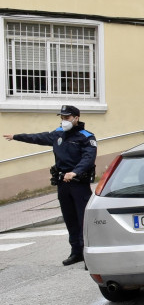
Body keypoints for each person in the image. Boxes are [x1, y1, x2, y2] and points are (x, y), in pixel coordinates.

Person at [4, 105, 97, 265]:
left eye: (67, 118)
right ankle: (76, 252)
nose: (64, 121)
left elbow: (89, 158)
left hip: (78, 183)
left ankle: (88, 254)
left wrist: (75, 172)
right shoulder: (58, 134)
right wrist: (16, 136)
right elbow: (38, 138)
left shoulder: (86, 136)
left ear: (76, 118)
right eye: (62, 117)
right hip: (62, 183)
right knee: (69, 219)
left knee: (83, 219)